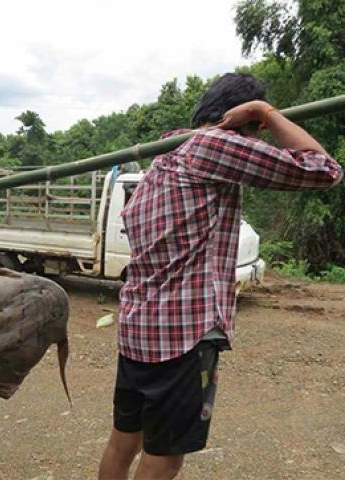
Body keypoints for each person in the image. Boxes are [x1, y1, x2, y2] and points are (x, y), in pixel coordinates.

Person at [98, 73, 343, 480]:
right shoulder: (215, 145)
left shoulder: (168, 150)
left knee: (123, 441)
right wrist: (267, 112)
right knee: (165, 457)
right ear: (247, 124)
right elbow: (324, 170)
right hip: (182, 338)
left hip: (137, 329)